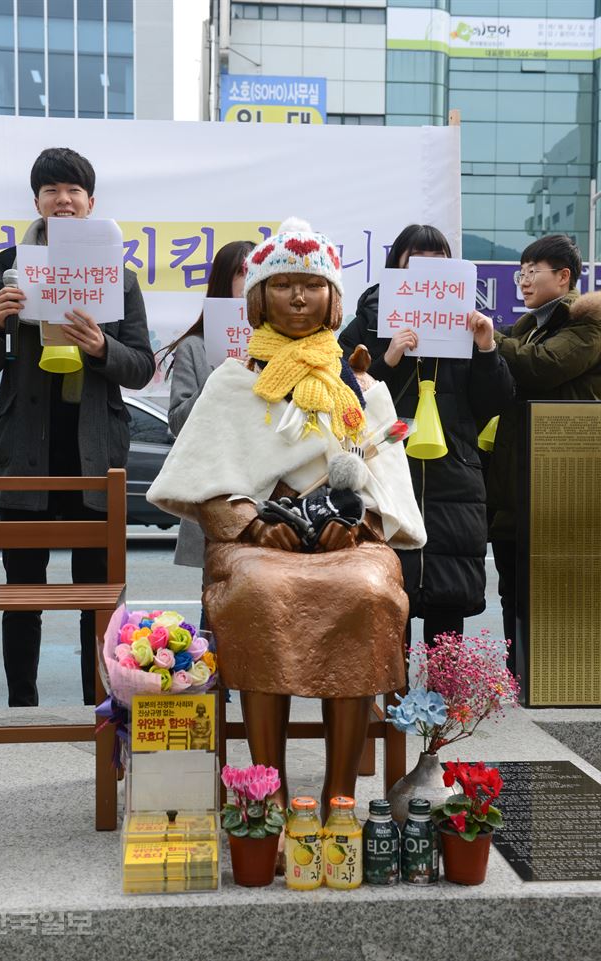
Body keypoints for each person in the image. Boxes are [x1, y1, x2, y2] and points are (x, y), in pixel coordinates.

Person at [148, 218, 426, 819]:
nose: (298, 297)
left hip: (347, 545)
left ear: (332, 298)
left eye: (312, 285)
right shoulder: (231, 381)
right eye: (283, 285)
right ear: (258, 298)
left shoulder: (362, 385)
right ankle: (264, 791)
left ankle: (339, 794)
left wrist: (356, 522)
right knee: (257, 590)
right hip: (255, 543)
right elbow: (204, 479)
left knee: (368, 589)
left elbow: (388, 486)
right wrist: (249, 522)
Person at [0, 147, 155, 707]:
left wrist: (102, 347)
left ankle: (97, 710)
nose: (63, 200)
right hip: (25, 452)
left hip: (94, 455)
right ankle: (21, 707)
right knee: (21, 592)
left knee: (97, 596)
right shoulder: (4, 267)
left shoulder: (116, 276)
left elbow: (141, 365)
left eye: (74, 191)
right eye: (52, 191)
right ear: (37, 203)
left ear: (91, 203)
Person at [339, 224, 515, 647]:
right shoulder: (366, 323)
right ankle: (391, 710)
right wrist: (388, 360)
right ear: (397, 266)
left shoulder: (468, 319)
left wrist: (487, 348)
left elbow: (496, 401)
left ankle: (442, 713)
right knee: (385, 608)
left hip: (453, 478)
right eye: (416, 261)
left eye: (438, 262)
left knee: (447, 610)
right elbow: (342, 398)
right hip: (385, 474)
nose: (428, 272)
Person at [486, 235, 601, 674]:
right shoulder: (528, 326)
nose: (525, 279)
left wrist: (489, 338)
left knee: (552, 583)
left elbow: (543, 366)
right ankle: (520, 672)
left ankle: (554, 674)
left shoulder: (586, 324)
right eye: (522, 271)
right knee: (512, 582)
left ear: (564, 276)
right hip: (521, 472)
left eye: (534, 270)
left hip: (564, 475)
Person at [161, 239, 255, 569]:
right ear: (222, 281)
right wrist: (222, 376)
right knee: (217, 596)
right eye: (245, 272)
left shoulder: (283, 346)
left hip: (267, 486)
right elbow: (178, 422)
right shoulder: (194, 348)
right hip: (216, 485)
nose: (254, 280)